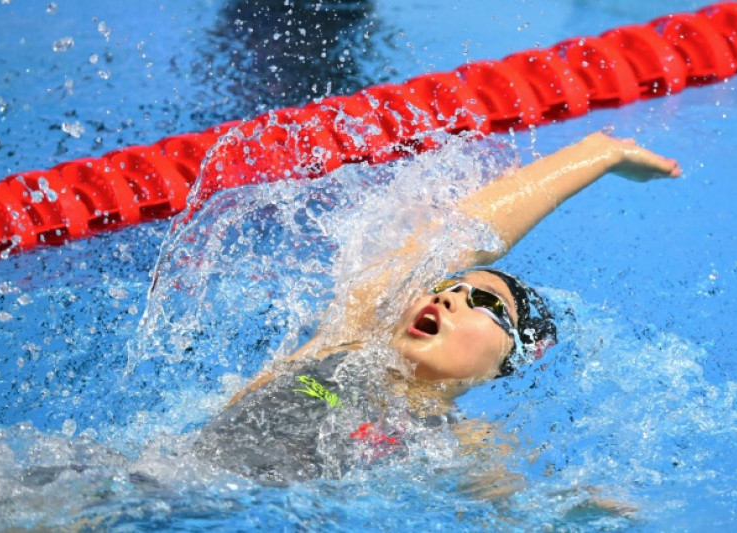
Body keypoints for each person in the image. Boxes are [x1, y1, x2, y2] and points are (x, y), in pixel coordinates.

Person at [190, 132, 681, 484]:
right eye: (448, 286)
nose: (447, 296)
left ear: (507, 361)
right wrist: (600, 153)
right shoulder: (346, 340)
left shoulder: (465, 445)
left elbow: (521, 515)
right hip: (161, 487)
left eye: (485, 303)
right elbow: (465, 234)